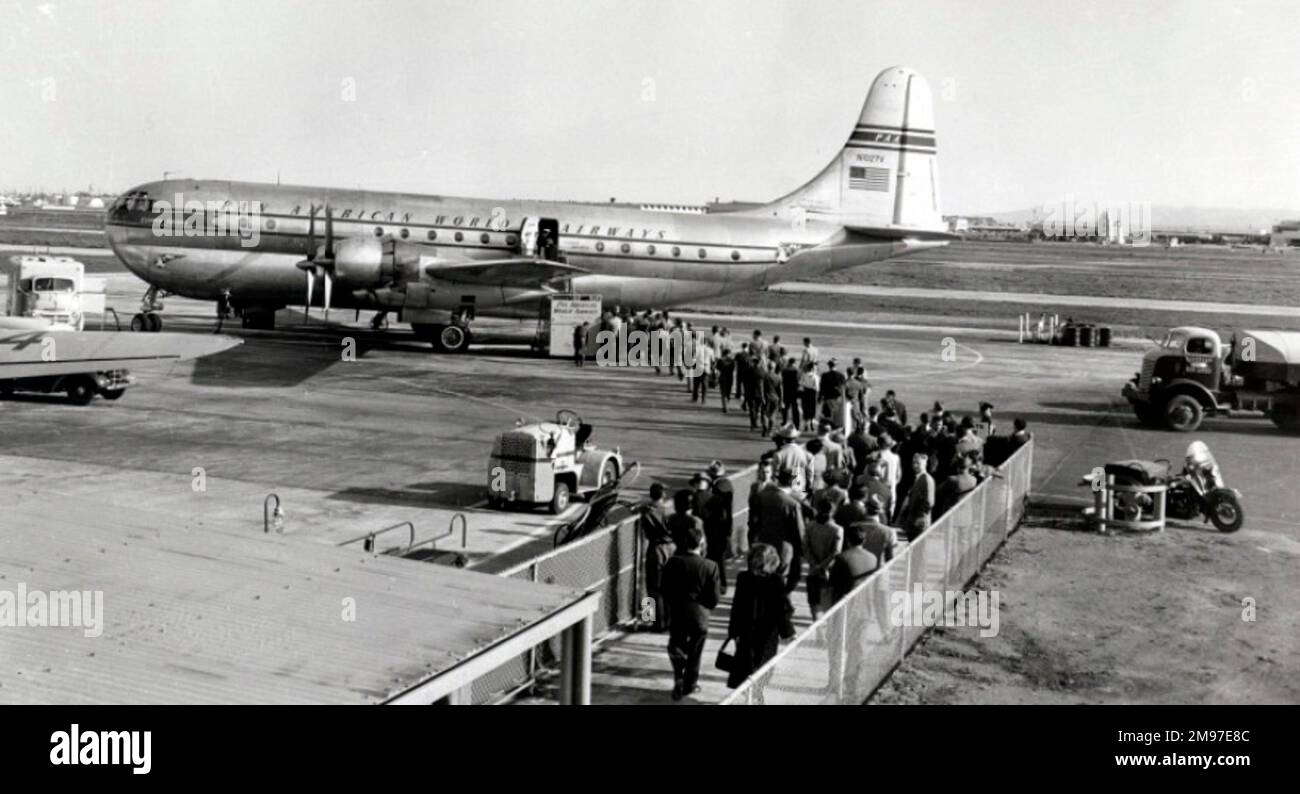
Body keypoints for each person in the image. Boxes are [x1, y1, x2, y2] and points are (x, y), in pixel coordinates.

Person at [660, 522, 723, 700]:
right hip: (700, 615)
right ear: (701, 544)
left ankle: (678, 676)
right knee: (696, 651)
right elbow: (714, 597)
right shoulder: (711, 566)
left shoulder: (673, 562)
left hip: (678, 611)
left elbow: (664, 588)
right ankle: (691, 683)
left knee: (676, 644)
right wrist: (705, 607)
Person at [725, 544, 793, 689]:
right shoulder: (776, 580)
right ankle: (755, 694)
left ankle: (750, 694)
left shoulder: (743, 578)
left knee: (746, 665)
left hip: (746, 630)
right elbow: (781, 609)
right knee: (763, 665)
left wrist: (733, 631)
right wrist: (788, 632)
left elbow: (736, 607)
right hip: (767, 633)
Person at [753, 465, 805, 593]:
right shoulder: (792, 504)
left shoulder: (762, 496)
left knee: (764, 574)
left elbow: (755, 520)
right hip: (784, 546)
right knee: (781, 577)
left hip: (764, 540)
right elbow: (799, 529)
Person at [639, 483, 675, 631]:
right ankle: (669, 620)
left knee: (652, 588)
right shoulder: (669, 511)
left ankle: (651, 620)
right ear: (663, 495)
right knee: (670, 587)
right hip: (671, 548)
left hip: (655, 548)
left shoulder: (647, 511)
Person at [803, 506, 843, 619]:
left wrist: (814, 564)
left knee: (813, 601)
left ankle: (815, 621)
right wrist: (822, 566)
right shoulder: (837, 529)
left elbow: (805, 547)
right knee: (828, 601)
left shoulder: (810, 526)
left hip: (813, 568)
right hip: (828, 570)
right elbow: (836, 551)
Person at [829, 522, 879, 603]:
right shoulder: (873, 557)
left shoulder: (842, 557)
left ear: (847, 540)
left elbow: (833, 583)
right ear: (864, 541)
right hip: (866, 601)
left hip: (846, 603)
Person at [703, 475, 734, 592]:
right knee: (719, 561)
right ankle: (721, 584)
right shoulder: (727, 498)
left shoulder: (715, 501)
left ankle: (716, 584)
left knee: (714, 559)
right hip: (721, 534)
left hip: (714, 533)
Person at [897, 452, 935, 541]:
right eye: (913, 463)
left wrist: (920, 518)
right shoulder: (919, 478)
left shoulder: (926, 479)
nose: (915, 465)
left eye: (918, 463)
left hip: (919, 522)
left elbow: (929, 502)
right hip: (913, 522)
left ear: (925, 464)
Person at [851, 494, 896, 564]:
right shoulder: (889, 532)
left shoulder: (853, 527)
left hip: (855, 570)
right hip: (877, 572)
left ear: (865, 508)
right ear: (881, 511)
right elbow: (890, 559)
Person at [771, 425, 813, 497]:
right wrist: (809, 486)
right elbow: (810, 473)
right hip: (800, 488)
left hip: (783, 488)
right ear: (795, 438)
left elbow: (774, 474)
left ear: (784, 439)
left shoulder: (779, 454)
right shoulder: (807, 454)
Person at [819, 358, 847, 424]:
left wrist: (820, 397)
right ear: (836, 365)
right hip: (837, 399)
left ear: (829, 366)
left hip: (827, 398)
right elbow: (843, 388)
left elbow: (822, 387)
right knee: (837, 416)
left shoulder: (824, 375)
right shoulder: (841, 376)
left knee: (827, 415)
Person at [760, 358, 783, 435]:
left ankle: (765, 426)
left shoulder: (764, 376)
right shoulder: (778, 377)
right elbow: (780, 391)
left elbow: (762, 387)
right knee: (773, 413)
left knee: (764, 413)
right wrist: (781, 401)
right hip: (775, 397)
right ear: (774, 367)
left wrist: (762, 396)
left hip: (767, 396)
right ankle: (770, 429)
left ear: (768, 366)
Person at [780, 357, 802, 427]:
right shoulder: (797, 371)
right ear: (794, 363)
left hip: (786, 391)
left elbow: (782, 381)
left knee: (785, 408)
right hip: (794, 391)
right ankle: (797, 423)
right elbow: (799, 382)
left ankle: (784, 421)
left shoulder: (784, 370)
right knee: (795, 409)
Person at [799, 362, 819, 432]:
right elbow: (816, 387)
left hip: (805, 392)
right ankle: (811, 423)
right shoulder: (815, 376)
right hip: (812, 393)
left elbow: (801, 383)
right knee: (812, 408)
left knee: (805, 408)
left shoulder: (804, 375)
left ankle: (805, 425)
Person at [715, 348, 736, 413]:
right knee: (728, 393)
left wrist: (716, 379)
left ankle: (725, 407)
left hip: (722, 378)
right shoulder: (732, 361)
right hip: (730, 378)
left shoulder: (720, 360)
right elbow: (734, 370)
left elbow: (717, 371)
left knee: (723, 393)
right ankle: (727, 405)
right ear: (728, 353)